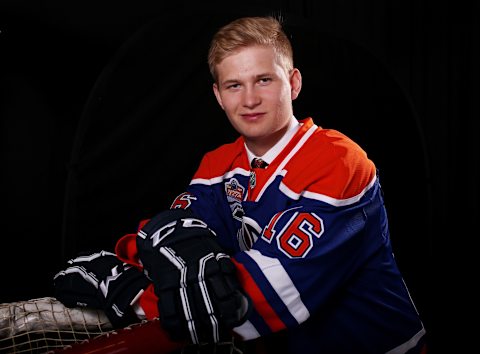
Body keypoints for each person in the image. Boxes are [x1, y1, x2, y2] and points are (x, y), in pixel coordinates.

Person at [54, 16, 427, 354]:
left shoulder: (340, 163)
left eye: (263, 80)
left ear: (293, 83)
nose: (249, 100)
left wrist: (127, 293)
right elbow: (166, 242)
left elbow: (257, 300)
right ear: (218, 96)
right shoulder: (218, 164)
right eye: (234, 85)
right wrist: (138, 252)